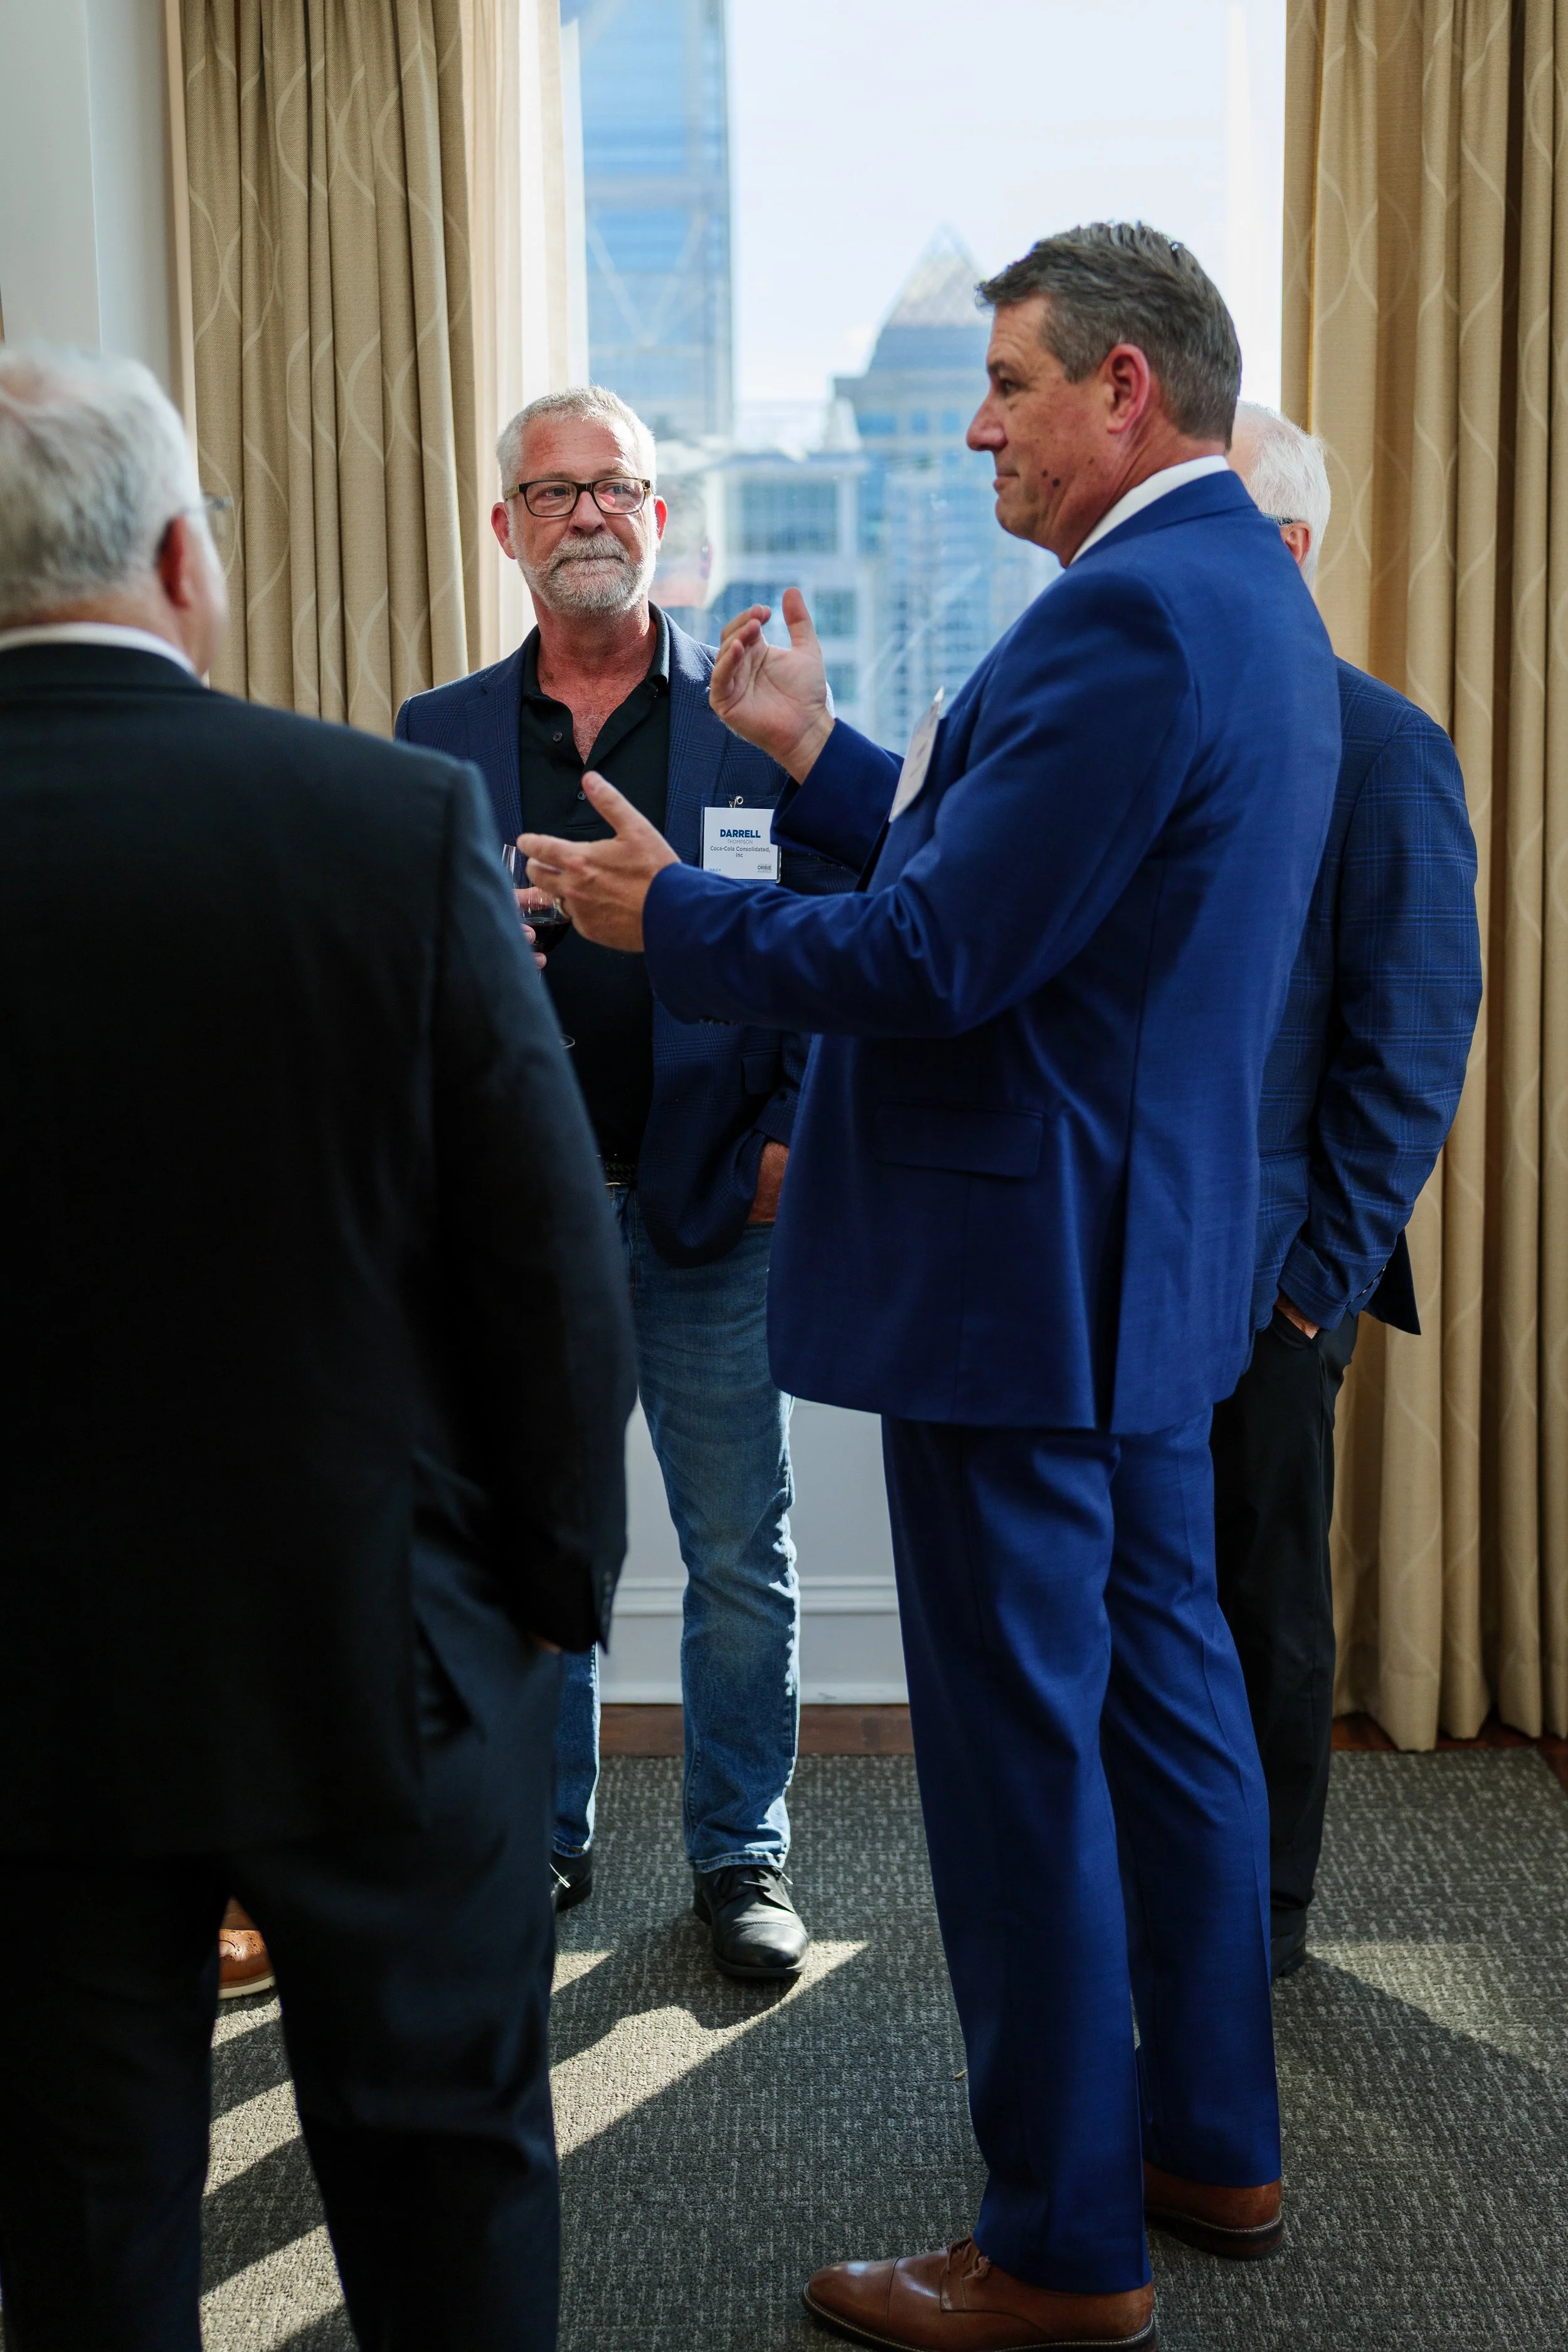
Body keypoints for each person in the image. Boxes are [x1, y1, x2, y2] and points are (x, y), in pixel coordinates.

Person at [519, 223, 1342, 2350]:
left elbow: (942, 952)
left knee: (1017, 1766)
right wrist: (825, 757)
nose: (977, 428)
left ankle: (1060, 2245)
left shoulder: (1124, 616)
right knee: (1167, 1712)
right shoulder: (1238, 593)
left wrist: (670, 917)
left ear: (1123, 388)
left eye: (1007, 384)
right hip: (1138, 1273)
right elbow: (1041, 888)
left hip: (1023, 1290)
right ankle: (1211, 2139)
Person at [0, 346, 635, 2352]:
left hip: (25, 1682)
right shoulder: (389, 819)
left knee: (77, 2225)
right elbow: (544, 1260)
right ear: (183, 560)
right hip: (380, 1651)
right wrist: (550, 1598)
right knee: (444, 2196)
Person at [397, 385, 849, 1980]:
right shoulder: (437, 734)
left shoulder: (745, 717)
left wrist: (793, 1127)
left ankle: (740, 1855)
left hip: (715, 1206)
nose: (586, 512)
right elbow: (400, 969)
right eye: (552, 491)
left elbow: (833, 936)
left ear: (657, 517)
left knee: (738, 1555)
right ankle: (541, 1839)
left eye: (615, 488)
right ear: (504, 527)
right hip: (523, 1221)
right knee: (546, 1544)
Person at [1216, 404, 1481, 1981]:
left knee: (1261, 1601)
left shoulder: (1383, 749)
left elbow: (1411, 1050)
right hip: (1122, 1265)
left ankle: (1263, 1914)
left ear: (1287, 546)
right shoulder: (1149, 733)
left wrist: (1314, 1288)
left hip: (1274, 1284)